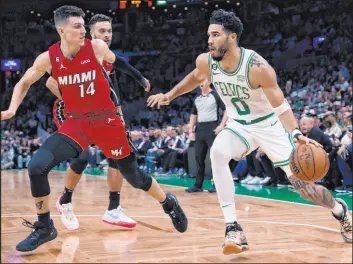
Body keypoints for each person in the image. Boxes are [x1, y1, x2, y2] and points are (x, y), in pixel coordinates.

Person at [147, 9, 352, 255]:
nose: (209, 40)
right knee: (218, 153)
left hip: (269, 126)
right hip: (239, 124)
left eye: (215, 35)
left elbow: (281, 107)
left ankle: (340, 211)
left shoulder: (258, 67)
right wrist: (169, 95)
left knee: (304, 188)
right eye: (208, 35)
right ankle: (232, 227)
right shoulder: (207, 61)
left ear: (232, 37)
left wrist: (296, 135)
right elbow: (195, 76)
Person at [1, 5, 187, 252]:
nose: (83, 31)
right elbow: (24, 83)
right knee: (36, 166)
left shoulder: (96, 48)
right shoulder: (49, 58)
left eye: (83, 25)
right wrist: (13, 109)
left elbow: (118, 61)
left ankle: (168, 203)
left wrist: (140, 78)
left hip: (107, 121)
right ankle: (45, 226)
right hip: (76, 123)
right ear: (61, 30)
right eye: (77, 27)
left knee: (134, 177)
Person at [47, 14, 142, 231]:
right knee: (81, 156)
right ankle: (65, 201)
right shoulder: (74, 50)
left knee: (117, 156)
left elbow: (112, 92)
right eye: (101, 31)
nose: (106, 35)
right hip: (71, 111)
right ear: (91, 34)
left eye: (109, 31)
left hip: (101, 113)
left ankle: (114, 209)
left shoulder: (107, 58)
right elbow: (50, 81)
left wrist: (120, 120)